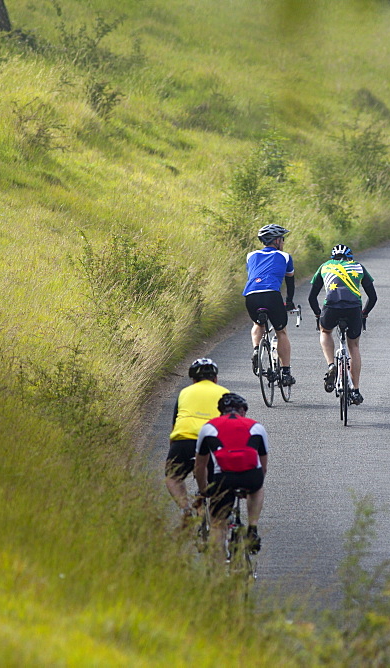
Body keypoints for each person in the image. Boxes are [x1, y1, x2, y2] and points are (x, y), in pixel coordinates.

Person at [194, 393, 268, 557]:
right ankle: (253, 527)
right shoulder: (256, 427)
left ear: (220, 411)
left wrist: (204, 489)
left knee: (217, 525)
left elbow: (200, 466)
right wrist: (252, 486)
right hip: (251, 476)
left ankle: (219, 571)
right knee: (258, 487)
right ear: (243, 411)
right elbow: (263, 467)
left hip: (223, 478)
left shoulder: (209, 428)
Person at [307, 244, 377, 405]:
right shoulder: (358, 267)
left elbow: (312, 298)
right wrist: (364, 314)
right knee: (354, 346)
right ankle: (356, 390)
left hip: (331, 307)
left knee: (325, 331)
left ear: (333, 258)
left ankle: (331, 364)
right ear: (350, 257)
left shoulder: (325, 266)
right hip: (353, 309)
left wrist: (319, 315)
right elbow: (373, 297)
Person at [165, 358, 230, 521]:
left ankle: (185, 509)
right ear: (215, 379)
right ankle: (217, 516)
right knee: (217, 483)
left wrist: (173, 450)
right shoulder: (224, 392)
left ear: (193, 380)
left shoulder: (184, 393)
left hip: (184, 439)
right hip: (212, 442)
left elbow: (175, 425)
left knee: (173, 477)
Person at [243, 224, 296, 387]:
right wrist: (289, 302)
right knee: (281, 332)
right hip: (272, 295)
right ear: (277, 240)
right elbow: (290, 282)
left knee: (258, 324)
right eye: (283, 239)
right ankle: (286, 373)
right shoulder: (285, 256)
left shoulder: (250, 255)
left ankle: (256, 349)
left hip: (251, 295)